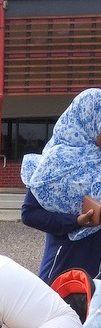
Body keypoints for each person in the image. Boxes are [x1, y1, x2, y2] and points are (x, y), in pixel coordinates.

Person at [21, 87, 101, 282]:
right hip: (65, 266)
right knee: (58, 311)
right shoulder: (57, 162)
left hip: (96, 274)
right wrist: (76, 222)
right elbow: (29, 213)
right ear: (89, 119)